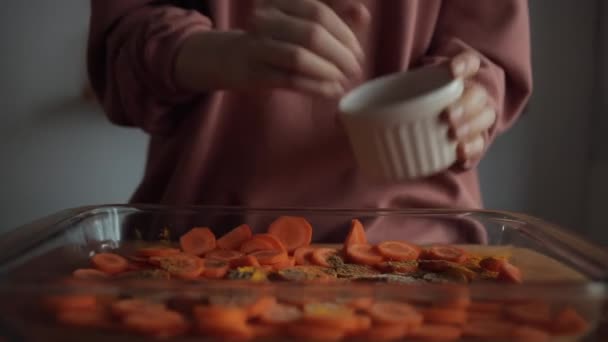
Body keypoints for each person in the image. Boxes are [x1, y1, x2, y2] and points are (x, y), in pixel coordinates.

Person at [87, 0, 532, 244]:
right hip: (203, 249)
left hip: (419, 254)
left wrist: (474, 103)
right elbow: (121, 45)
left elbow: (486, 58)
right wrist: (219, 53)